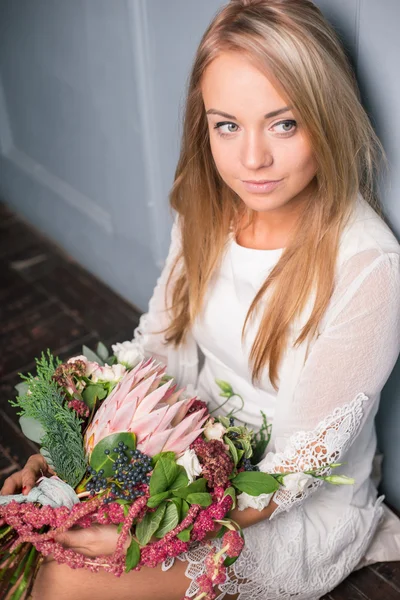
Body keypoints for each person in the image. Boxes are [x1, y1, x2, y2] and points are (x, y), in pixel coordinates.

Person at [2, 0, 400, 598]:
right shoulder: (206, 208)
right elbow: (158, 348)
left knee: (64, 579)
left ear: (328, 117)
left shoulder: (367, 267)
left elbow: (298, 472)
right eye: (227, 125)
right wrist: (71, 460)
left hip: (285, 508)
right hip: (180, 453)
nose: (252, 159)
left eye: (284, 123)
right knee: (27, 545)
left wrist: (150, 534)